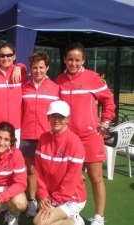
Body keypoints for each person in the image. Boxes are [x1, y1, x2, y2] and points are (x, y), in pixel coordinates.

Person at [56, 42, 116, 225]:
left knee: (96, 177)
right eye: (70, 59)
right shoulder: (59, 80)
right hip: (68, 138)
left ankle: (99, 217)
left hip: (90, 136)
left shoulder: (93, 78)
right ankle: (72, 212)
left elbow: (109, 101)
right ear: (65, 59)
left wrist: (105, 122)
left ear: (83, 60)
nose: (74, 63)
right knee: (69, 178)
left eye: (78, 60)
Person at [20, 51, 59, 217]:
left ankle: (52, 201)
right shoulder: (24, 87)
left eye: (41, 67)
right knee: (31, 171)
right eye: (35, 68)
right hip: (27, 136)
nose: (38, 71)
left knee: (50, 171)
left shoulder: (56, 88)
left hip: (47, 136)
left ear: (47, 68)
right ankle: (32, 202)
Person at [34, 100, 87, 225]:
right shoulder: (43, 138)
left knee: (40, 222)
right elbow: (39, 171)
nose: (56, 120)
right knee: (41, 221)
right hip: (51, 196)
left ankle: (75, 222)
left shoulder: (74, 142)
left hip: (72, 198)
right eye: (53, 116)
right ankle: (71, 220)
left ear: (68, 119)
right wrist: (43, 195)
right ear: (48, 117)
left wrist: (54, 202)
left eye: (61, 117)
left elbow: (71, 178)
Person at [0, 43, 27, 147]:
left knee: (12, 158)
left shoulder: (21, 74)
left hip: (15, 126)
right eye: (2, 55)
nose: (5, 58)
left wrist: (18, 66)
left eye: (9, 55)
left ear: (14, 56)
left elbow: (25, 67)